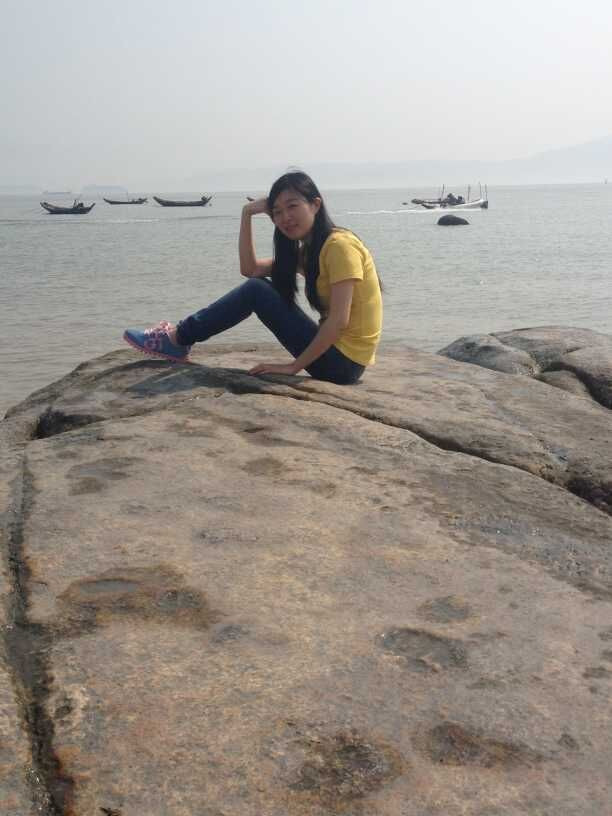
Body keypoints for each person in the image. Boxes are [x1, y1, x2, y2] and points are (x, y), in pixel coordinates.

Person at [123, 172, 383, 385]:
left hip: (342, 364)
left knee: (258, 291)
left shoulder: (339, 247)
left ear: (315, 204)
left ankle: (177, 339)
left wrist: (293, 367)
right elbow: (250, 269)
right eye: (277, 211)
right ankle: (179, 337)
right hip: (340, 359)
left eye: (292, 206)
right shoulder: (312, 251)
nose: (285, 217)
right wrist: (247, 213)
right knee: (257, 287)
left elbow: (338, 321)